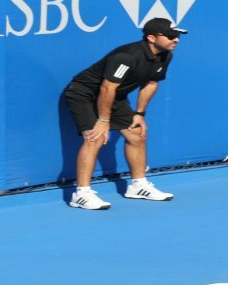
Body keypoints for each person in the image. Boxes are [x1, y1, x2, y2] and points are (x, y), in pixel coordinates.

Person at [62, 17, 187, 210]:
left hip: (114, 96)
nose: (176, 39)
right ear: (151, 38)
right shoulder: (126, 56)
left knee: (136, 134)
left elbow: (151, 83)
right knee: (95, 137)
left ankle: (138, 186)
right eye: (171, 36)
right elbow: (107, 88)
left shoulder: (165, 56)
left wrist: (139, 113)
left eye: (177, 35)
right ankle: (81, 194)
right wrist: (103, 120)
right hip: (84, 94)